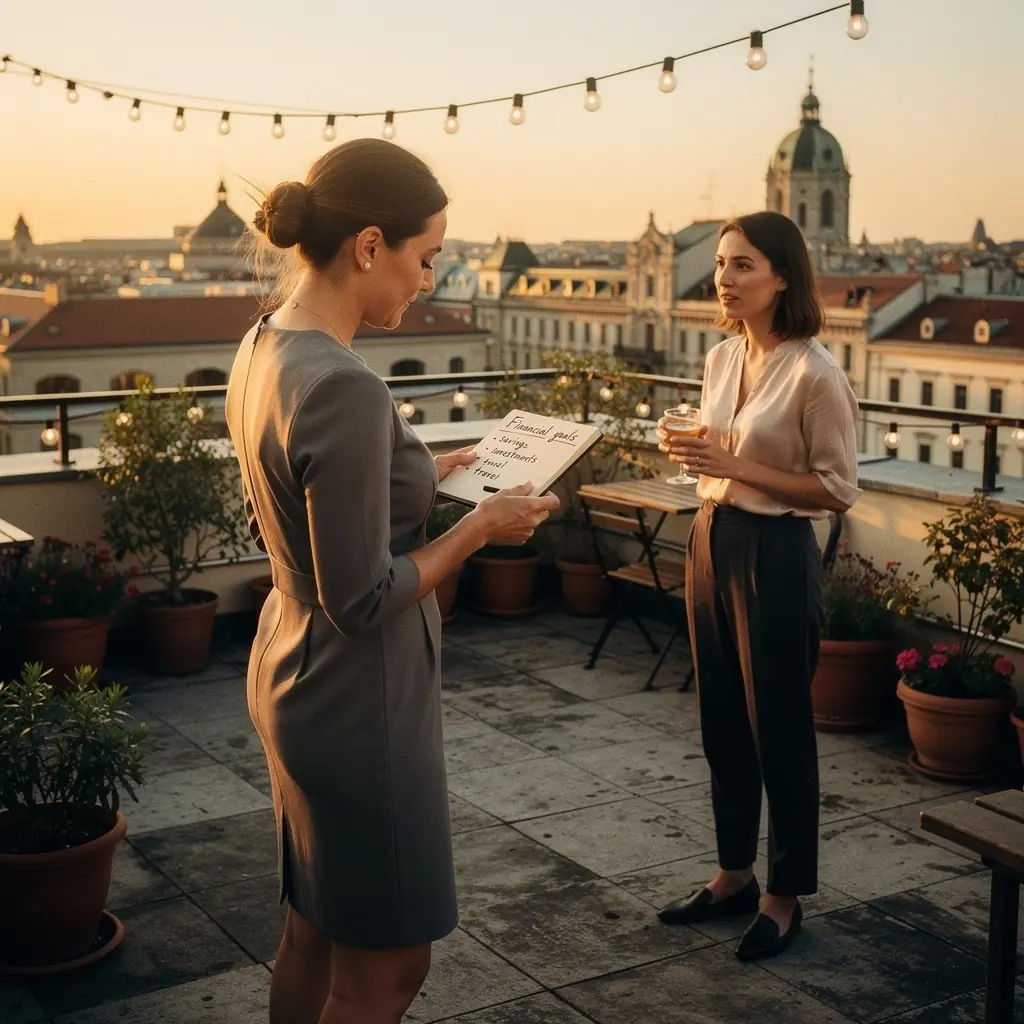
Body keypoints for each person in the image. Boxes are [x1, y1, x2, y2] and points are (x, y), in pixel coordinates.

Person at [224, 138, 559, 1024]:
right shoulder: (344, 385)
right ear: (370, 246)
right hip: (357, 697)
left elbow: (295, 500)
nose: (430, 280)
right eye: (428, 256)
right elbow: (364, 596)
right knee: (391, 964)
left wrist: (423, 471)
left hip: (288, 665)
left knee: (313, 929)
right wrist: (480, 527)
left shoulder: (264, 343)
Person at [654, 211, 861, 962]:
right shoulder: (720, 357)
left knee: (780, 728)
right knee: (721, 720)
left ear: (782, 277)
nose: (724, 279)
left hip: (775, 551)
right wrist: (690, 451)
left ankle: (784, 895)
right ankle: (734, 873)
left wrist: (734, 465)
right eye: (720, 264)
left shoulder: (816, 374)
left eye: (743, 265)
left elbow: (837, 489)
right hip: (710, 537)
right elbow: (719, 455)